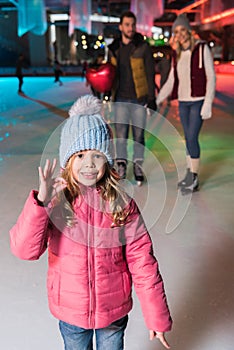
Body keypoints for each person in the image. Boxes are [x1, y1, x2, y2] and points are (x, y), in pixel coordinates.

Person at [9, 95, 172, 350]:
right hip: (72, 313)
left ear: (107, 160)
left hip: (113, 312)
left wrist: (156, 315)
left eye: (97, 155)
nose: (89, 164)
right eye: (80, 154)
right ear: (68, 160)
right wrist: (40, 202)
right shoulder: (56, 202)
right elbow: (24, 250)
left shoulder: (121, 203)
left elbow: (143, 262)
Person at [156, 14, 216, 194]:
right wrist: (158, 98)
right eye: (176, 31)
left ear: (189, 31)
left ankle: (194, 178)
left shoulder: (202, 49)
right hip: (183, 103)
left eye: (182, 30)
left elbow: (211, 76)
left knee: (191, 137)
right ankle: (190, 174)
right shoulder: (177, 54)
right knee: (188, 139)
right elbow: (172, 80)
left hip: (198, 101)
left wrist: (208, 103)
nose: (180, 34)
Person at [108, 11, 157, 185]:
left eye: (132, 25)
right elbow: (109, 74)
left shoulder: (142, 46)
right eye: (127, 25)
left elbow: (150, 73)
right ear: (121, 26)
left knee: (139, 136)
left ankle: (137, 165)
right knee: (120, 136)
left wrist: (151, 99)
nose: (130, 28)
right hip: (120, 99)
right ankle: (121, 165)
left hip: (139, 99)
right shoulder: (114, 48)